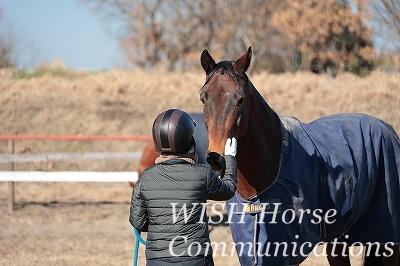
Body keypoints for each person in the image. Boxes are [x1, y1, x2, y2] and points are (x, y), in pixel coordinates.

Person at [129, 108, 237, 266]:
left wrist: (161, 225)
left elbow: (138, 222)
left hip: (158, 261)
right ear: (189, 142)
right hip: (196, 259)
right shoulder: (202, 173)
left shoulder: (146, 178)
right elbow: (228, 189)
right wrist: (231, 158)